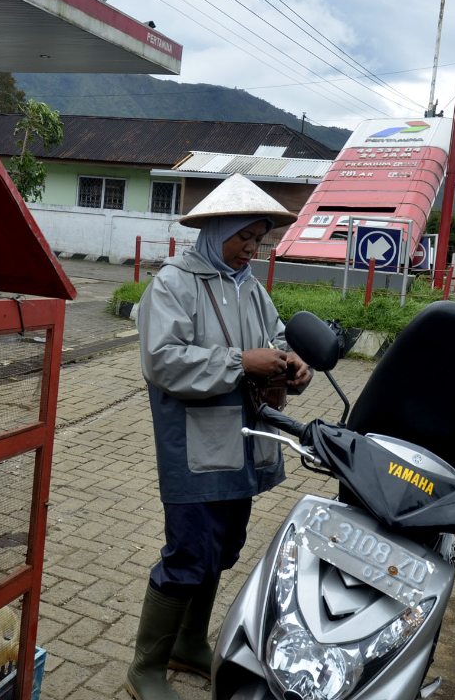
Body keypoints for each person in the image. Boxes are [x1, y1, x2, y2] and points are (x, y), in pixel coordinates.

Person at [127, 174, 312, 700]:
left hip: (247, 441)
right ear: (217, 231)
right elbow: (163, 362)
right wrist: (240, 362)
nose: (253, 249)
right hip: (195, 448)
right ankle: (146, 667)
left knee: (223, 548)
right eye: (245, 238)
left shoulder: (250, 287)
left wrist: (288, 363)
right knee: (188, 553)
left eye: (260, 239)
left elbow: (273, 337)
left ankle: (189, 644)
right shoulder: (174, 284)